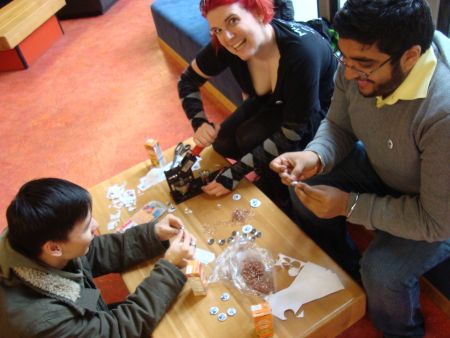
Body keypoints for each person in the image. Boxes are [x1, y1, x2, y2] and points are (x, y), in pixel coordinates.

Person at [270, 0, 450, 337]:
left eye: (363, 66)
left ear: (410, 56)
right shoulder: (357, 62)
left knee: (382, 273)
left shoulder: (443, 113)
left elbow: (436, 221)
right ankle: (344, 269)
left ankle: (403, 331)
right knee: (304, 190)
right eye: (345, 58)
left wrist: (349, 204)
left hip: (439, 212)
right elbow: (338, 124)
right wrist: (315, 157)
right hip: (386, 169)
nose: (349, 74)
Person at [178, 0, 337, 214]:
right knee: (223, 142)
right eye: (216, 30)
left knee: (249, 137)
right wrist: (199, 122)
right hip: (275, 101)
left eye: (233, 21)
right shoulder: (227, 44)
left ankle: (282, 198)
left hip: (319, 113)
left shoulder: (302, 54)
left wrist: (236, 173)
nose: (226, 38)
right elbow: (188, 80)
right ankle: (265, 170)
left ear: (259, 13)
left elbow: (293, 130)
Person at [0, 178, 197, 338]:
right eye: (86, 227)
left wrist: (153, 235)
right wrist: (169, 268)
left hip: (77, 307)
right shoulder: (44, 322)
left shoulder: (30, 236)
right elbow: (118, 331)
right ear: (54, 248)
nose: (96, 225)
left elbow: (92, 253)